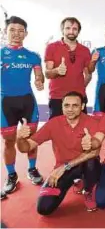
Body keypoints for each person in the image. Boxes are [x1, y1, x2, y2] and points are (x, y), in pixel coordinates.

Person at [16, 91, 101, 215]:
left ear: (82, 106)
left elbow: (95, 152)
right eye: (66, 105)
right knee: (44, 208)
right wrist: (20, 138)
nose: (70, 109)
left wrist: (66, 166)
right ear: (62, 106)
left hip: (83, 165)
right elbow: (26, 148)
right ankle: (76, 180)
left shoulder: (92, 123)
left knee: (92, 163)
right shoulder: (53, 123)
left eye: (75, 105)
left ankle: (88, 190)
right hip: (62, 168)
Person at [1, 16, 45, 195]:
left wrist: (40, 82)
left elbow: (39, 76)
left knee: (31, 139)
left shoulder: (33, 56)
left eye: (20, 31)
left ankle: (32, 169)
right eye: (12, 30)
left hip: (27, 102)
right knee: (9, 141)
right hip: (6, 104)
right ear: (5, 32)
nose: (16, 34)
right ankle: (11, 175)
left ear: (26, 34)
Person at [44, 17, 93, 118]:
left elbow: (88, 75)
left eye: (74, 29)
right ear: (62, 30)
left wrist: (79, 87)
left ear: (78, 31)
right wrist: (57, 70)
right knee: (56, 131)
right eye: (68, 28)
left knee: (81, 131)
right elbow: (47, 74)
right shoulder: (51, 47)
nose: (71, 31)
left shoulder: (85, 50)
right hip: (57, 98)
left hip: (79, 98)